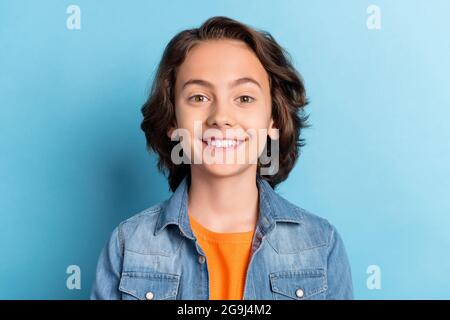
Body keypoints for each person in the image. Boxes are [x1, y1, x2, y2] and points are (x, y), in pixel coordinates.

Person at [91, 16, 353, 300]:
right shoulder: (127, 245)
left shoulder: (321, 244)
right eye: (199, 97)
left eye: (244, 98)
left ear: (274, 120)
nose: (221, 118)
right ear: (172, 121)